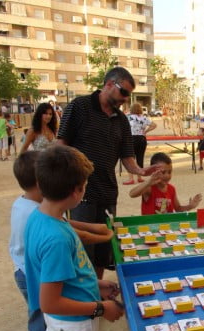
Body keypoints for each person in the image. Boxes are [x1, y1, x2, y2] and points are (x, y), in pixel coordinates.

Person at [24, 145, 123, 331]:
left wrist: (96, 287)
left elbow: (65, 279)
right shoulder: (56, 237)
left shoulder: (43, 216)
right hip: (73, 325)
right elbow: (51, 301)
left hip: (61, 324)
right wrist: (100, 308)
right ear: (77, 191)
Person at [57, 66, 159, 278]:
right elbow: (60, 147)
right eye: (124, 92)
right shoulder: (79, 106)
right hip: (79, 195)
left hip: (108, 193)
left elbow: (127, 157)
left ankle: (97, 293)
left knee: (104, 250)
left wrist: (142, 170)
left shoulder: (122, 120)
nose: (125, 98)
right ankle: (87, 301)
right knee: (82, 251)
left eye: (129, 95)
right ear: (109, 84)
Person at [129, 152, 202, 215]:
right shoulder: (150, 188)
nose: (167, 175)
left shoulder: (171, 189)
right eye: (163, 172)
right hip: (150, 228)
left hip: (167, 227)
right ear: (153, 171)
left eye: (169, 172)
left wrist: (190, 206)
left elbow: (178, 208)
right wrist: (148, 182)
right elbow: (132, 194)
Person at [123, 102, 157, 185]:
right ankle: (139, 177)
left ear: (132, 109)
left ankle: (131, 178)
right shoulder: (144, 118)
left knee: (130, 158)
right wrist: (146, 131)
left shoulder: (128, 117)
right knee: (140, 158)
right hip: (142, 139)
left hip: (131, 139)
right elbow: (154, 125)